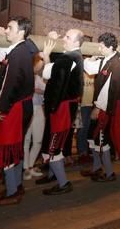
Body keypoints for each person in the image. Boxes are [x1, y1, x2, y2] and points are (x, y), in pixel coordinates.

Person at [0, 17, 36, 206]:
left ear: (21, 32)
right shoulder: (23, 49)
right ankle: (16, 185)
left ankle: (12, 191)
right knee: (16, 146)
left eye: (9, 27)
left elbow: (11, 83)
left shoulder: (17, 52)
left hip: (15, 107)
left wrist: (2, 107)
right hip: (22, 105)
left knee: (8, 147)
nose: (6, 30)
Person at [40, 29, 84, 195]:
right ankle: (53, 175)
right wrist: (46, 57)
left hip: (61, 107)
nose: (63, 38)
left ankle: (63, 183)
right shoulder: (74, 56)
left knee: (53, 145)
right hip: (66, 106)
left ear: (77, 43)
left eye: (67, 37)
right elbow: (52, 73)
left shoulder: (69, 57)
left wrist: (52, 107)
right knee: (55, 140)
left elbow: (54, 81)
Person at [82, 32, 120, 182]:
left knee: (102, 140)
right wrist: (90, 59)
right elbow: (89, 69)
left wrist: (98, 107)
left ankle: (109, 173)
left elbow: (110, 91)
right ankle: (97, 167)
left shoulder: (115, 64)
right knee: (93, 137)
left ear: (109, 47)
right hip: (101, 107)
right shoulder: (106, 60)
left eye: (101, 46)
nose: (99, 49)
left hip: (104, 108)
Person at [23, 55, 46, 180]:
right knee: (26, 140)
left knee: (38, 140)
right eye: (38, 65)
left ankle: (30, 166)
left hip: (37, 109)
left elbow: (47, 90)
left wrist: (38, 91)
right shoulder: (24, 76)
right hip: (26, 109)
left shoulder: (39, 78)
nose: (39, 68)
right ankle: (26, 168)